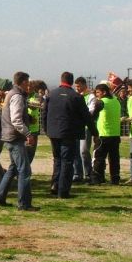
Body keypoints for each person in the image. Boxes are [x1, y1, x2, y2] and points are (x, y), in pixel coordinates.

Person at [43, 71, 98, 199]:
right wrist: (95, 133)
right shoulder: (76, 97)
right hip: (69, 133)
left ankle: (55, 185)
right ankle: (63, 191)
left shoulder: (51, 94)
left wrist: (47, 130)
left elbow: (45, 113)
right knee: (67, 161)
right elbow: (86, 117)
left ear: (61, 80)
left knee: (57, 160)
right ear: (72, 82)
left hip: (53, 132)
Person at [0, 71, 38, 210]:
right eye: (28, 82)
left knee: (13, 169)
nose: (29, 85)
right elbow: (16, 120)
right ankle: (24, 203)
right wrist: (28, 134)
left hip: (9, 135)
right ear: (23, 82)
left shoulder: (11, 94)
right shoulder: (17, 96)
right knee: (24, 170)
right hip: (15, 137)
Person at [90, 83, 121, 185]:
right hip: (115, 134)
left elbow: (93, 116)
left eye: (98, 92)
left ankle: (96, 178)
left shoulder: (101, 102)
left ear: (104, 92)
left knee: (98, 157)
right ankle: (115, 178)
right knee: (114, 158)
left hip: (103, 134)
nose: (96, 94)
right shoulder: (116, 101)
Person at [72, 77, 96, 183]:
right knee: (75, 151)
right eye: (75, 86)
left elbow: (91, 111)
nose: (77, 88)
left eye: (78, 86)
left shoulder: (90, 96)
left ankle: (88, 173)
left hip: (85, 128)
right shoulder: (75, 96)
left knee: (84, 151)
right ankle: (77, 173)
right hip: (75, 127)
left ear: (84, 85)